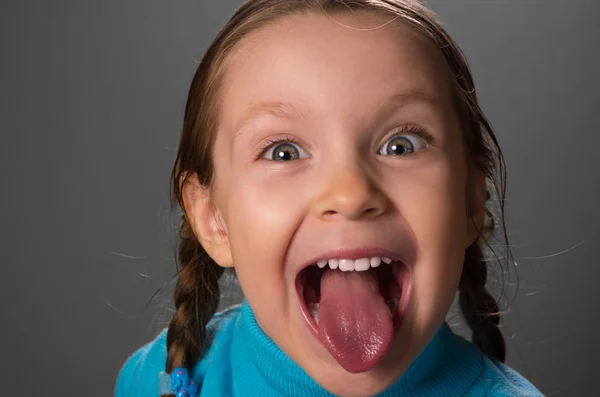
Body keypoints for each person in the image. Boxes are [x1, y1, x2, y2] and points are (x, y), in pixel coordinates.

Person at [116, 0, 544, 395]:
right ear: (212, 219)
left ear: (471, 199)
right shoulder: (163, 377)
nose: (351, 193)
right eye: (283, 152)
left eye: (401, 145)